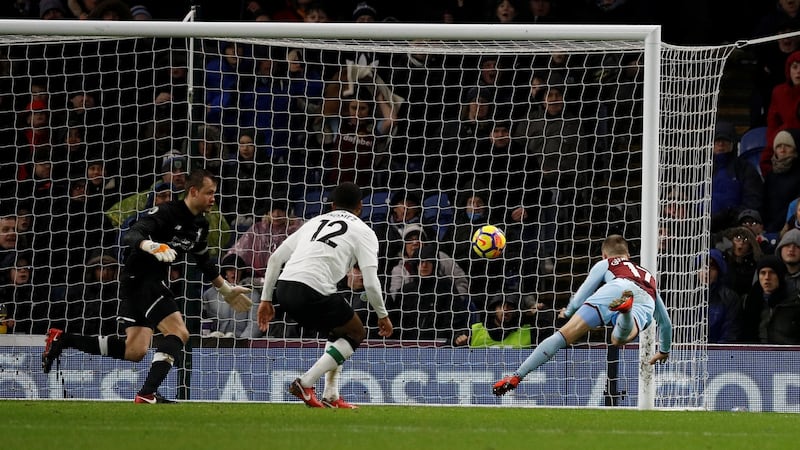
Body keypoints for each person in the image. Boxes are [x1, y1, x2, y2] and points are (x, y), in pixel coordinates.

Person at [41, 170, 253, 403]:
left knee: (135, 350)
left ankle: (63, 339)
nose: (214, 198)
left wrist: (226, 290)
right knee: (179, 332)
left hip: (145, 283)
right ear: (193, 192)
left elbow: (204, 261)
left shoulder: (200, 225)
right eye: (209, 193)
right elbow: (132, 234)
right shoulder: (166, 212)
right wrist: (150, 246)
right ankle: (147, 394)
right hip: (141, 278)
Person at [256, 181, 393, 409]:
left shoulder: (314, 222)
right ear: (360, 207)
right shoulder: (364, 231)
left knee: (338, 327)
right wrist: (383, 314)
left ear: (332, 206)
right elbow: (370, 281)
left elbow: (274, 259)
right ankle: (305, 382)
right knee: (356, 332)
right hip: (312, 288)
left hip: (285, 288)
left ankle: (331, 394)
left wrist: (266, 299)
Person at [492, 235, 671, 396]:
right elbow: (665, 323)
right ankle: (626, 311)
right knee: (619, 339)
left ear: (604, 255)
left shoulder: (607, 263)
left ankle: (517, 376)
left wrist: (569, 311)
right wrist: (664, 350)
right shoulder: (649, 277)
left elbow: (584, 291)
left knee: (561, 337)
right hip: (645, 298)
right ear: (628, 255)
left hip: (615, 287)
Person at [710, 120, 763, 232]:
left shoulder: (745, 169)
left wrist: (730, 217)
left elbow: (753, 201)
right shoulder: (701, 170)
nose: (721, 144)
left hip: (735, 230)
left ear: (732, 144)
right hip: (702, 229)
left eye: (725, 140)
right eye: (717, 140)